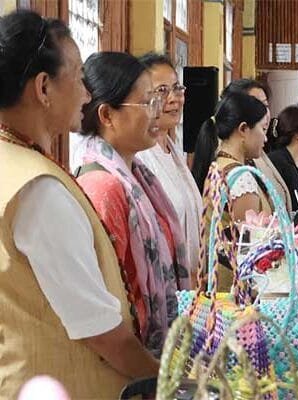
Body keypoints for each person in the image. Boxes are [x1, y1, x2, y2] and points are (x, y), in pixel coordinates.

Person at [0, 10, 158, 398]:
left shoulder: (13, 163)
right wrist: (170, 381)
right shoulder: (38, 190)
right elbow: (101, 332)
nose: (87, 94)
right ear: (43, 88)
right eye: (77, 78)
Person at [76, 52, 192, 357]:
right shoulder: (103, 187)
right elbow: (106, 304)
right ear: (107, 115)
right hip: (131, 362)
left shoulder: (140, 179)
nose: (157, 112)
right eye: (147, 103)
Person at [191, 92, 272, 290]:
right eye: (263, 129)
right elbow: (249, 249)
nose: (266, 138)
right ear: (243, 129)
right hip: (234, 289)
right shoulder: (241, 179)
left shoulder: (219, 165)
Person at [136, 52, 203, 278]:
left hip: (193, 285)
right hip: (165, 283)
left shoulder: (174, 150)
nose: (174, 98)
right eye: (162, 91)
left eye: (176, 88)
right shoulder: (141, 157)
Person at [222, 78, 292, 212]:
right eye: (257, 106)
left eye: (265, 106)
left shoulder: (256, 153)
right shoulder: (236, 173)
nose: (264, 114)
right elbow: (248, 230)